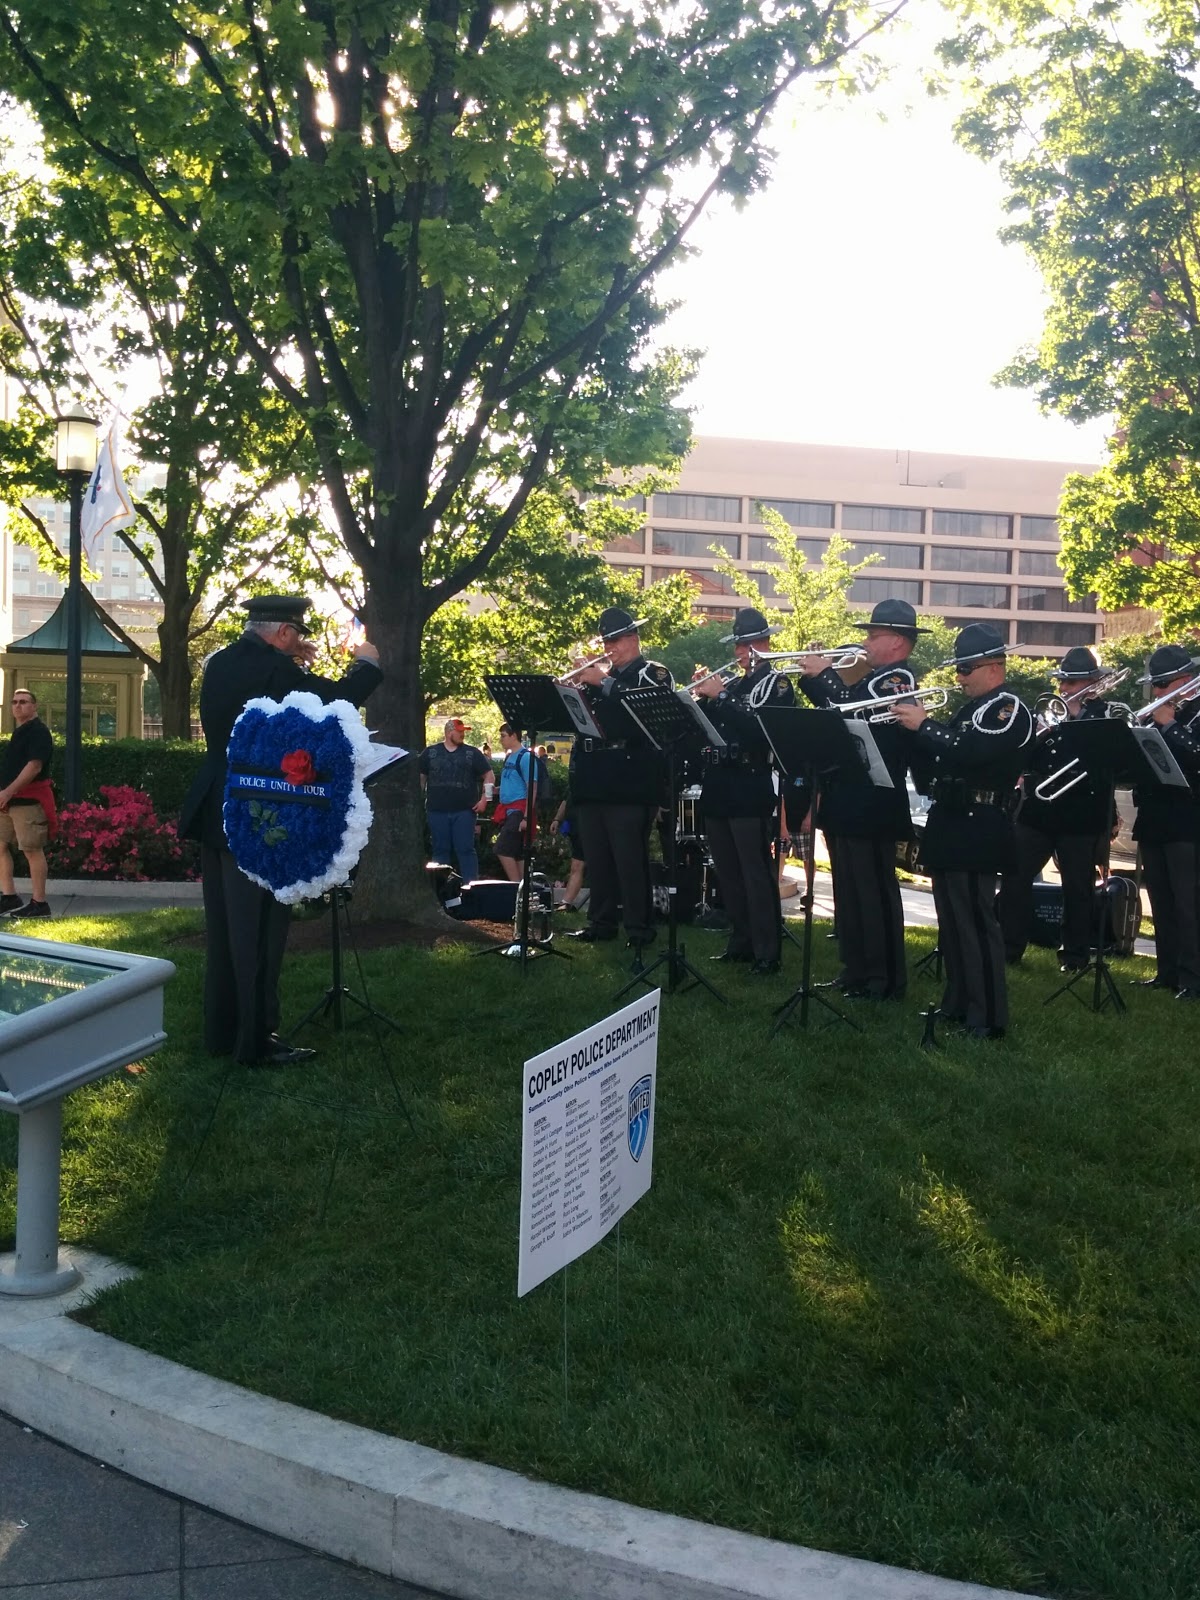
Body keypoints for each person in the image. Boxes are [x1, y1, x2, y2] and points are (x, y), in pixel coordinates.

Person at [180, 595, 383, 1067]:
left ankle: (222, 1032)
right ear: (285, 633)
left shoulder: (221, 662)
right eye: (297, 636)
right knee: (260, 933)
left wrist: (290, 662)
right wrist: (367, 664)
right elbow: (339, 700)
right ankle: (255, 1041)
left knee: (225, 930)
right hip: (257, 818)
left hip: (216, 807)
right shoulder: (275, 670)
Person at [893, 622, 1034, 1039]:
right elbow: (941, 762)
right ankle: (959, 1002)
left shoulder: (1007, 707)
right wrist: (912, 735)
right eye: (958, 669)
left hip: (980, 824)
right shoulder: (970, 710)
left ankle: (988, 1016)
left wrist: (925, 726)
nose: (959, 677)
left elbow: (974, 752)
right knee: (952, 922)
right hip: (953, 820)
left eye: (966, 668)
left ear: (994, 666)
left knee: (976, 923)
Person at [796, 597, 927, 1000]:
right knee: (849, 891)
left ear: (898, 642)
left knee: (872, 893)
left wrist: (826, 674)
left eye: (874, 635)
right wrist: (814, 676)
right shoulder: (872, 677)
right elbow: (833, 710)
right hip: (850, 797)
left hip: (874, 802)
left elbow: (851, 709)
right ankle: (855, 969)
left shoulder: (896, 679)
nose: (866, 642)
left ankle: (883, 978)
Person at [997, 646, 1114, 972]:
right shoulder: (1049, 713)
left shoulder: (1105, 715)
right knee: (1015, 877)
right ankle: (1008, 948)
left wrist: (1075, 719)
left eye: (1071, 682)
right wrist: (1037, 734)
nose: (1064, 688)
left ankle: (1075, 957)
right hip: (1038, 812)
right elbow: (1025, 758)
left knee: (1077, 888)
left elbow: (1105, 764)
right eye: (1062, 681)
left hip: (1081, 815)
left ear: (1092, 682)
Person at [691, 607, 794, 974]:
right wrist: (702, 698)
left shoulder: (778, 684)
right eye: (737, 645)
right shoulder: (734, 684)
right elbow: (708, 729)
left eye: (746, 645)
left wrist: (720, 697)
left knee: (755, 872)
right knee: (729, 872)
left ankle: (767, 951)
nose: (740, 652)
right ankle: (741, 941)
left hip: (751, 782)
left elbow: (760, 730)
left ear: (765, 643)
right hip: (720, 783)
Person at [566, 606, 673, 949]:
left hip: (630, 777)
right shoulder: (598, 678)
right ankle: (601, 922)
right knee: (597, 857)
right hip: (594, 776)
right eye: (606, 641)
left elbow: (647, 713)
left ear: (634, 638)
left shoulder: (653, 673)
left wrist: (603, 682)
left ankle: (639, 927)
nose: (609, 647)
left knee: (630, 859)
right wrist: (573, 690)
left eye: (616, 640)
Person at [1129, 644, 1200, 999]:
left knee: (1188, 904)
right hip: (1154, 818)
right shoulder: (1156, 716)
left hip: (1187, 821)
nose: (1156, 692)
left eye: (1162, 684)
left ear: (1185, 681)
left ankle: (1194, 979)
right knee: (1160, 900)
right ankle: (1167, 971)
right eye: (1154, 685)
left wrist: (1170, 725)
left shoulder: (1195, 713)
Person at [0, 688, 56, 920]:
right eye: (14, 702)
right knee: (0, 845)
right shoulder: (19, 732)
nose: (18, 705)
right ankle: (9, 897)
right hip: (9, 801)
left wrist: (9, 791)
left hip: (29, 801)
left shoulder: (39, 732)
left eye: (23, 701)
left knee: (32, 850)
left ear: (34, 706)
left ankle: (39, 904)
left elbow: (34, 766)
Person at [419, 718, 492, 883]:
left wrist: (484, 800)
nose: (462, 734)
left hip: (465, 811)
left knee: (466, 849)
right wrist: (418, 801)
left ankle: (471, 886)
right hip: (436, 811)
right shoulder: (430, 753)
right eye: (459, 731)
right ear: (448, 732)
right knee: (440, 851)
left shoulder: (472, 753)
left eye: (463, 731)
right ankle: (441, 888)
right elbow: (421, 779)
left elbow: (489, 775)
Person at [493, 723, 537, 882]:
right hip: (508, 810)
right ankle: (523, 889)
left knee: (502, 848)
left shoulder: (526, 757)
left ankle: (515, 887)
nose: (501, 740)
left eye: (503, 736)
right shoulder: (509, 757)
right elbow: (513, 783)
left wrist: (526, 817)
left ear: (513, 736)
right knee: (517, 854)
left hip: (518, 811)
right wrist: (496, 790)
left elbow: (532, 788)